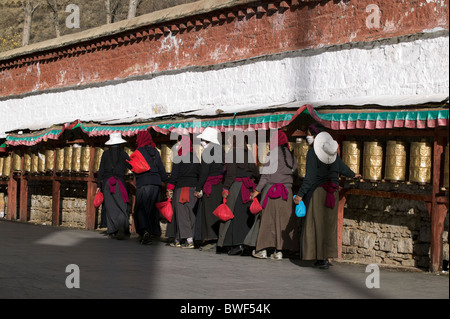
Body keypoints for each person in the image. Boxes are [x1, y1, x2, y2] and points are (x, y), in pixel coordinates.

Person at [293, 123, 361, 269]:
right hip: (332, 192)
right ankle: (324, 257)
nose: (307, 137)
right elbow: (341, 167)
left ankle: (319, 256)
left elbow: (309, 177)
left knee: (317, 224)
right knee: (328, 225)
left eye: (309, 134)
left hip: (318, 193)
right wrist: (353, 174)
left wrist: (300, 195)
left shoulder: (313, 153)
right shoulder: (331, 152)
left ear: (314, 135)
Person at [250, 130, 299, 260]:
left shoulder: (272, 154)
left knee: (268, 221)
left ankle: (263, 250)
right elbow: (296, 174)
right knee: (284, 222)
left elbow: (265, 176)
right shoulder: (291, 155)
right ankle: (279, 251)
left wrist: (256, 191)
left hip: (273, 192)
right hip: (287, 193)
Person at [218, 135, 259, 255]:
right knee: (245, 217)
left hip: (237, 187)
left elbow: (231, 173)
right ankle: (246, 244)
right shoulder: (247, 153)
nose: (229, 141)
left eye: (231, 139)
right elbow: (255, 170)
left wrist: (225, 188)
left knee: (232, 215)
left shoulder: (232, 153)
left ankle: (236, 244)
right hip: (248, 188)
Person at [132, 130, 168, 245]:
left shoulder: (138, 151)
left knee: (140, 208)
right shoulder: (155, 152)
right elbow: (161, 168)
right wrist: (166, 182)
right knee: (153, 208)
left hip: (144, 183)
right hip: (156, 183)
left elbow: (135, 168)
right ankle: (153, 232)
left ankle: (145, 231)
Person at [166, 135, 200, 249]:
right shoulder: (195, 158)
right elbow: (199, 174)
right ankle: (178, 239)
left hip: (181, 189)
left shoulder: (178, 158)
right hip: (193, 190)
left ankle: (189, 240)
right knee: (191, 215)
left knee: (182, 215)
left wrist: (169, 188)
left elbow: (174, 176)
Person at [193, 127, 224, 251]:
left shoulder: (206, 152)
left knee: (209, 213)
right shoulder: (221, 151)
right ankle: (217, 238)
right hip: (220, 185)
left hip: (210, 186)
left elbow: (204, 173)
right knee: (217, 212)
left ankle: (211, 239)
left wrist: (198, 188)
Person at [97, 132, 131, 240]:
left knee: (110, 207)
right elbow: (132, 166)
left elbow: (101, 170)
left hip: (107, 183)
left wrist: (98, 185)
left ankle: (112, 230)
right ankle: (122, 227)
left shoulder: (105, 154)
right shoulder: (124, 154)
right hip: (119, 183)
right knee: (122, 206)